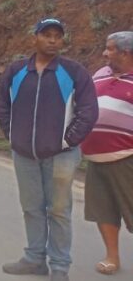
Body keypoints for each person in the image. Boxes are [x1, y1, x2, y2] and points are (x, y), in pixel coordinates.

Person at [0, 18, 99, 281]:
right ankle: (34, 259)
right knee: (31, 208)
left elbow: (88, 111)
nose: (52, 40)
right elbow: (3, 106)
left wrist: (68, 140)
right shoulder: (16, 71)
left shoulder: (74, 72)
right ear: (36, 38)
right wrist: (12, 136)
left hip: (61, 156)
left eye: (57, 35)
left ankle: (60, 266)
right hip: (24, 155)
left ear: (62, 40)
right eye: (47, 35)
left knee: (58, 211)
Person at [80, 31, 133, 275]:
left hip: (127, 157)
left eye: (110, 48)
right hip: (95, 157)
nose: (104, 53)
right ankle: (112, 257)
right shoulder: (100, 74)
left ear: (125, 52)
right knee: (104, 210)